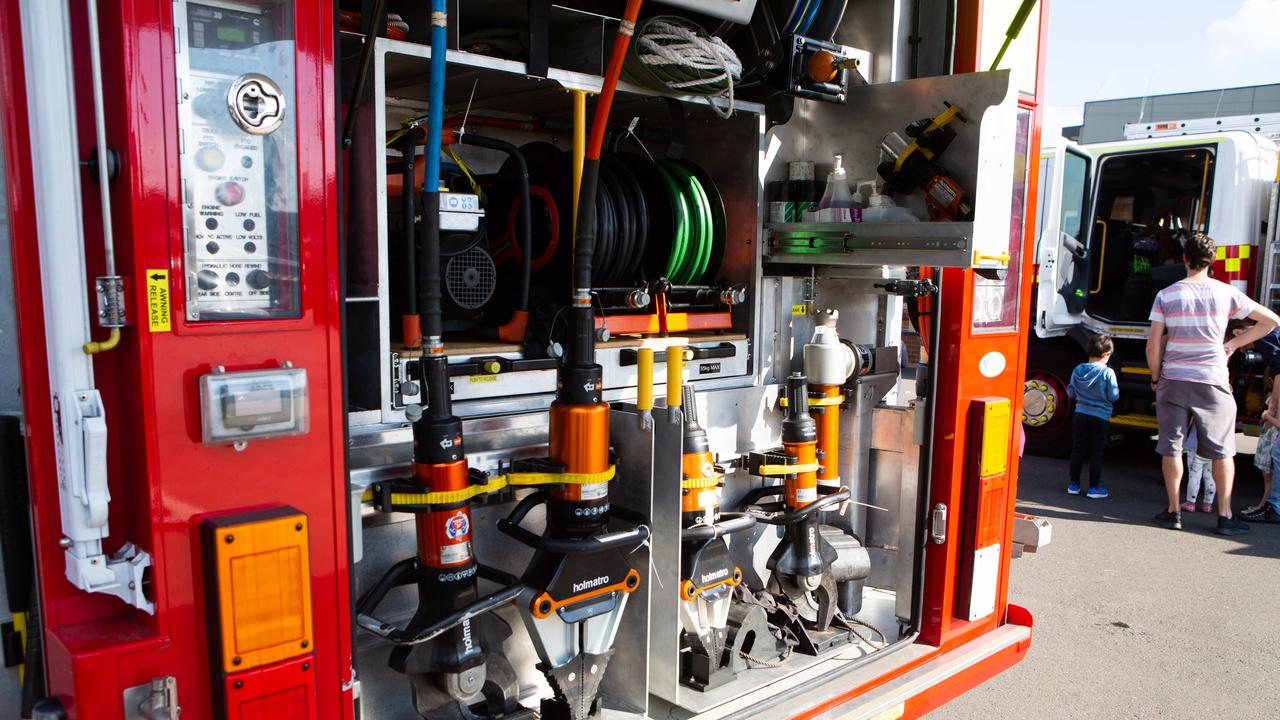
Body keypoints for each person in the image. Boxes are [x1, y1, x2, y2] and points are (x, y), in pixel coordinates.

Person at [1147, 232, 1280, 535]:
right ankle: (1224, 515)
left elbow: (1153, 345)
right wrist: (1235, 343)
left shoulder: (1166, 295)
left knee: (1172, 447)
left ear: (1184, 259)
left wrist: (1156, 378)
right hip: (1213, 379)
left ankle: (1173, 512)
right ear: (1213, 260)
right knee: (1223, 451)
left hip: (1175, 378)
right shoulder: (1227, 293)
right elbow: (1272, 320)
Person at [1066, 333, 1118, 499]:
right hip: (1100, 417)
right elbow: (1113, 395)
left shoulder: (1078, 369)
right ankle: (1094, 488)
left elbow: (1071, 392)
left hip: (1080, 414)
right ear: (1106, 354)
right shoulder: (1107, 373)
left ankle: (1074, 484)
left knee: (1077, 450)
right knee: (1096, 452)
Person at [1241, 388, 1280, 524]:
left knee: (1270, 479)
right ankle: (1263, 505)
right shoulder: (1274, 397)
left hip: (1272, 441)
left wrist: (1267, 416)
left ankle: (1264, 506)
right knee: (1267, 478)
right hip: (1268, 440)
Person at [1180, 429, 1215, 513]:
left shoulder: (1199, 415)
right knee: (1210, 477)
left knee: (1194, 476)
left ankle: (1190, 503)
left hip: (1195, 447)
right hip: (1213, 448)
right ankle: (1208, 505)